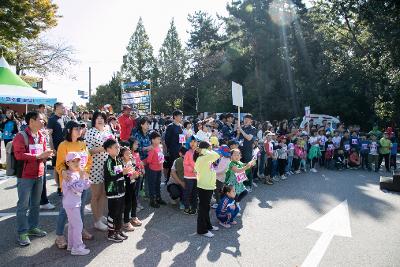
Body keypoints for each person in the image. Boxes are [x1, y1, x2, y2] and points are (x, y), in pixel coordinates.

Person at [13, 111, 53, 246]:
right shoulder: (21, 136)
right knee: (23, 205)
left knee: (35, 204)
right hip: (25, 176)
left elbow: (41, 154)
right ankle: (22, 232)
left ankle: (33, 227)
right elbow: (19, 155)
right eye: (41, 120)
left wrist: (46, 155)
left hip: (39, 173)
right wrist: (37, 156)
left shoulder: (41, 135)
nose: (43, 122)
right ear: (31, 121)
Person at [55, 120, 93, 249]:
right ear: (69, 130)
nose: (79, 130)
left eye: (80, 128)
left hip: (81, 180)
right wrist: (63, 171)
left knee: (80, 207)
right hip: (69, 183)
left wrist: (85, 172)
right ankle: (59, 235)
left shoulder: (82, 144)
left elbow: (88, 161)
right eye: (76, 128)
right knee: (65, 210)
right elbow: (59, 164)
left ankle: (80, 230)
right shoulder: (63, 145)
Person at [85, 111, 112, 231]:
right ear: (94, 120)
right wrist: (104, 148)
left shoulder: (107, 130)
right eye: (98, 118)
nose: (100, 119)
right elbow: (88, 151)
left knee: (104, 194)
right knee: (96, 194)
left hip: (107, 166)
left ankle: (100, 216)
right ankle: (96, 221)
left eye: (102, 118)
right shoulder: (90, 132)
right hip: (95, 167)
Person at [62, 152, 91, 256]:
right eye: (73, 161)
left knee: (72, 225)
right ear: (67, 163)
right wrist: (82, 178)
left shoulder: (76, 173)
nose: (76, 163)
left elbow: (85, 186)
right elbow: (77, 189)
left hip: (73, 203)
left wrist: (85, 177)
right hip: (71, 204)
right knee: (78, 225)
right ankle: (77, 247)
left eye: (78, 160)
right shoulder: (69, 176)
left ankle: (71, 245)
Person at [103, 138, 132, 242]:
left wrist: (127, 172)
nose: (118, 149)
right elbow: (112, 175)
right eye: (115, 147)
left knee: (120, 211)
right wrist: (122, 173)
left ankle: (118, 230)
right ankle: (111, 233)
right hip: (112, 191)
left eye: (118, 147)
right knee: (113, 212)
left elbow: (120, 174)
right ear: (108, 149)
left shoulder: (118, 159)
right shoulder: (108, 162)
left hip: (120, 190)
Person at [194, 141, 221, 238]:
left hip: (208, 186)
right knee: (203, 208)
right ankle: (202, 230)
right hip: (204, 186)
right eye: (209, 148)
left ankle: (208, 226)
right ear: (205, 149)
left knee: (206, 207)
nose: (211, 150)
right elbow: (217, 154)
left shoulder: (206, 158)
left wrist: (205, 150)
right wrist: (204, 150)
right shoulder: (202, 158)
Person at [119, 146, 142, 232]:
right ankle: (126, 221)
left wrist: (137, 173)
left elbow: (136, 168)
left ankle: (133, 217)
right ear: (121, 156)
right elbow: (121, 176)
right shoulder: (121, 165)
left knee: (134, 201)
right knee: (127, 204)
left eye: (130, 153)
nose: (129, 155)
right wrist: (130, 177)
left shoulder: (132, 161)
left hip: (133, 184)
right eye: (126, 154)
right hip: (126, 186)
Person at [48, 102, 67, 195]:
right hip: (56, 148)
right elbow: (49, 135)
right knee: (56, 168)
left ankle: (64, 186)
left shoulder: (63, 118)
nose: (64, 109)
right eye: (62, 108)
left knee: (64, 167)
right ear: (57, 108)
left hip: (65, 148)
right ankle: (59, 187)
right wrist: (52, 149)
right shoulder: (51, 119)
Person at [144, 131, 167, 208]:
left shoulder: (159, 147)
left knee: (158, 184)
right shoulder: (152, 149)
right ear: (153, 140)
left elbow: (161, 157)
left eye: (159, 139)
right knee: (152, 185)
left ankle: (158, 198)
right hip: (152, 170)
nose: (159, 140)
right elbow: (149, 160)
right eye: (157, 139)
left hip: (159, 169)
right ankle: (152, 201)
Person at [236, 114, 257, 189]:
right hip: (240, 150)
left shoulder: (253, 128)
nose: (245, 120)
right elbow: (237, 139)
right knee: (240, 167)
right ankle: (242, 184)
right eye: (245, 119)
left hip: (247, 150)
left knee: (247, 167)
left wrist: (241, 130)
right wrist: (238, 133)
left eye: (247, 119)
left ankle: (248, 185)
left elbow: (249, 138)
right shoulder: (241, 128)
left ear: (251, 121)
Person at [165, 110, 184, 181]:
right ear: (175, 116)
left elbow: (182, 139)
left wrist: (182, 147)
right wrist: (170, 149)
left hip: (180, 149)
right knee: (172, 165)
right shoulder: (170, 127)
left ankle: (178, 180)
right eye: (180, 116)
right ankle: (169, 180)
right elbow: (167, 140)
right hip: (173, 150)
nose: (181, 117)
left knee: (179, 166)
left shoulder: (181, 126)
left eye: (182, 116)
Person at [183, 135, 200, 215]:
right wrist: (192, 169)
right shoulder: (187, 153)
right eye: (191, 141)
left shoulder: (200, 152)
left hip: (197, 176)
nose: (193, 143)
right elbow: (185, 164)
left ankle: (194, 207)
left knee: (195, 193)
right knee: (188, 192)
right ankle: (186, 207)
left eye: (194, 141)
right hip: (188, 176)